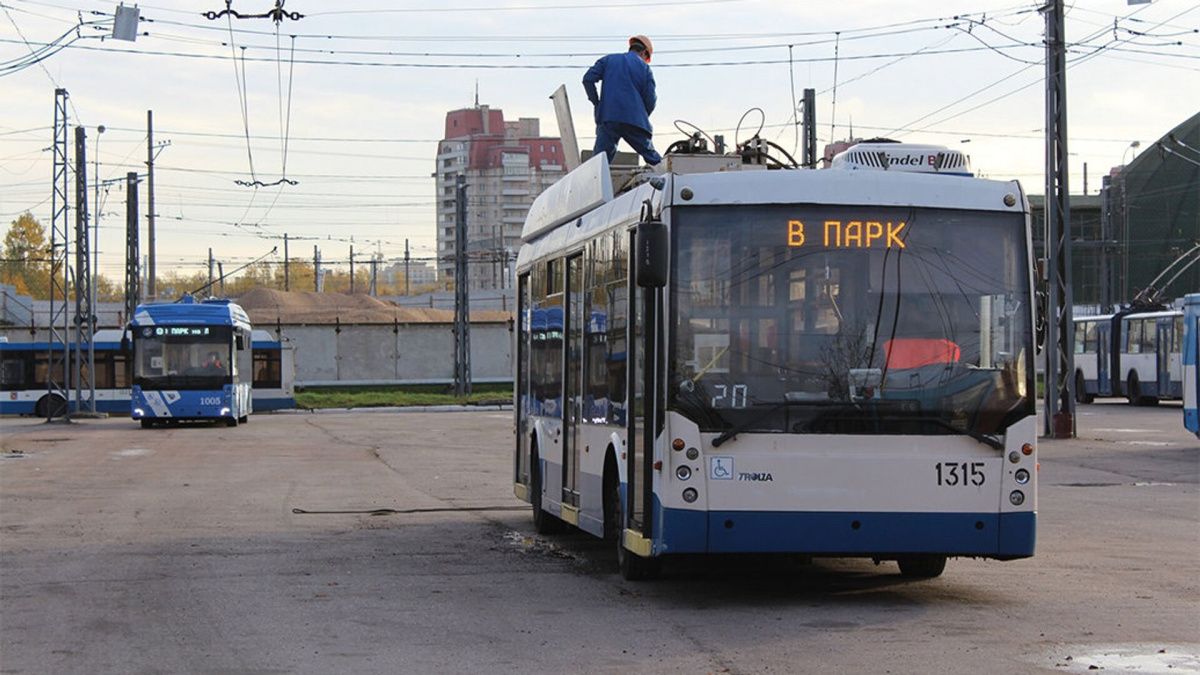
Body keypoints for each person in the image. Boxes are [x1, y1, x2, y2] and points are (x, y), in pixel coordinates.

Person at [583, 35, 662, 167]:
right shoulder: (645, 69)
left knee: (599, 163)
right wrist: (641, 115)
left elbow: (587, 79)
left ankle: (593, 185)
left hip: (609, 118)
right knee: (653, 158)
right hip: (635, 121)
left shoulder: (608, 60)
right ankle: (672, 179)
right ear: (643, 53)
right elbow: (651, 99)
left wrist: (597, 103)